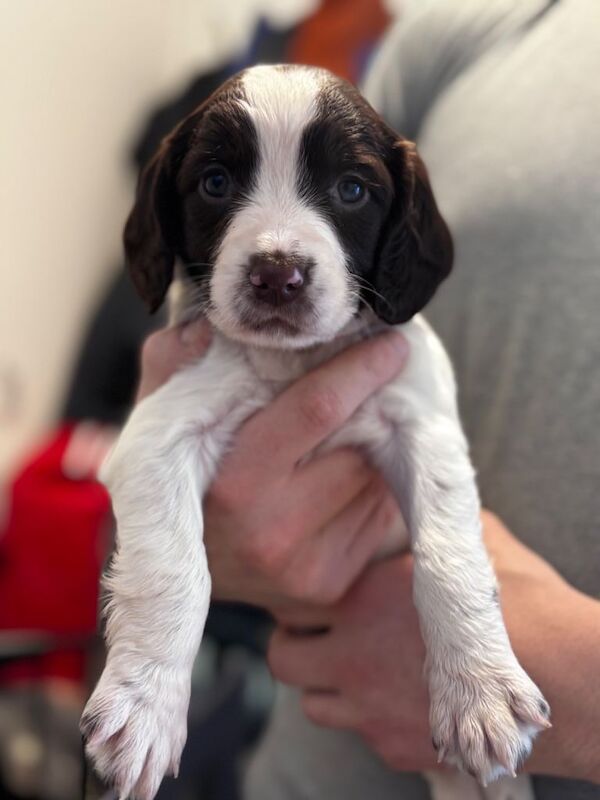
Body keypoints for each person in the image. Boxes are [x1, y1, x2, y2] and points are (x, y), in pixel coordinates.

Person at [134, 1, 600, 798]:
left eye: (348, 189)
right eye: (219, 183)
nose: (280, 252)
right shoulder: (473, 31)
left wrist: (577, 685)